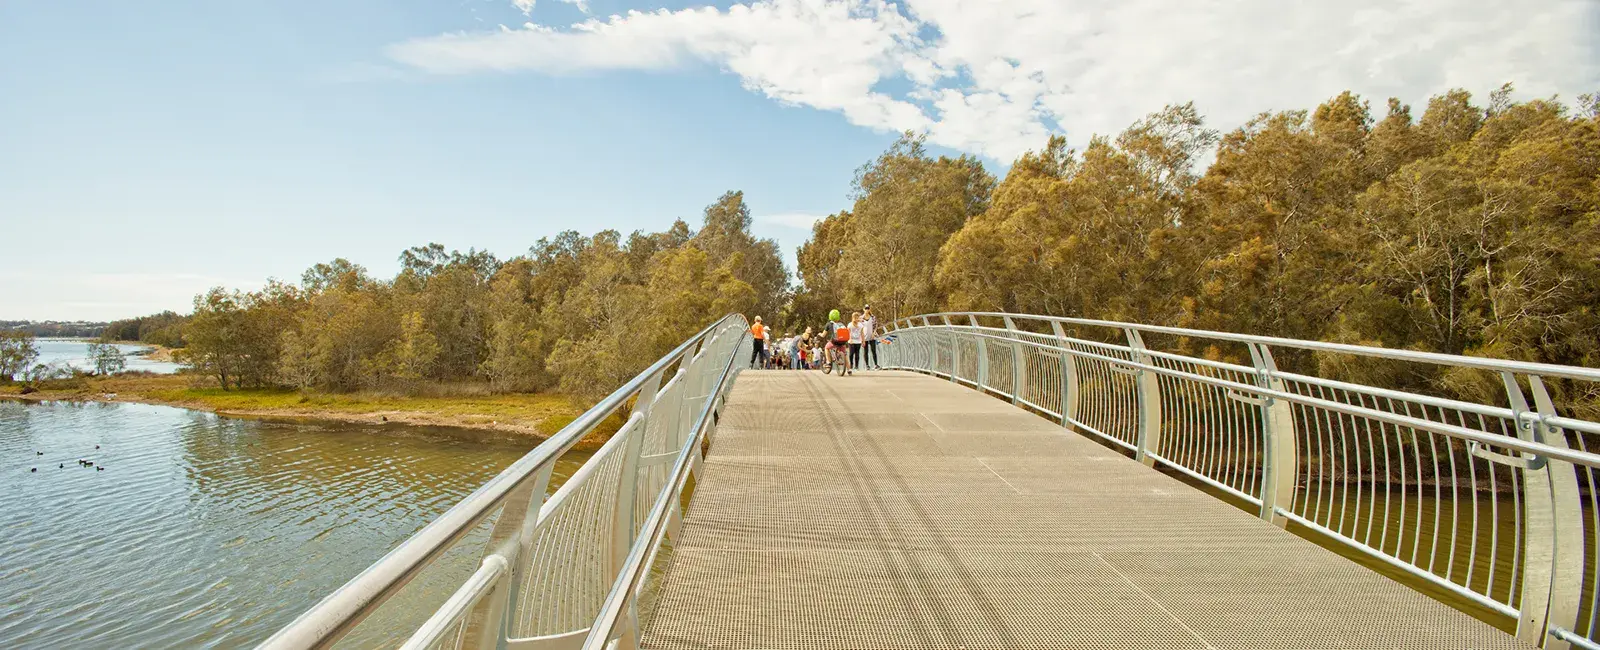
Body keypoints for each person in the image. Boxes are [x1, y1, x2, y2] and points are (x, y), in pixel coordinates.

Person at [825, 309, 851, 375]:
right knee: (845, 355)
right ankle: (849, 370)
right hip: (843, 342)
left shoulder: (828, 324)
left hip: (834, 342)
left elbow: (823, 334)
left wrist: (820, 335)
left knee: (826, 348)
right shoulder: (841, 324)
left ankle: (828, 362)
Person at [861, 306, 881, 370]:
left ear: (869, 309)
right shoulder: (861, 318)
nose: (867, 310)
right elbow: (859, 327)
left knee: (873, 350)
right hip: (864, 337)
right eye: (866, 308)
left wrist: (874, 333)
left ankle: (876, 365)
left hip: (872, 336)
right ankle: (867, 365)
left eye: (868, 308)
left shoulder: (873, 317)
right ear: (863, 309)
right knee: (865, 351)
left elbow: (875, 326)